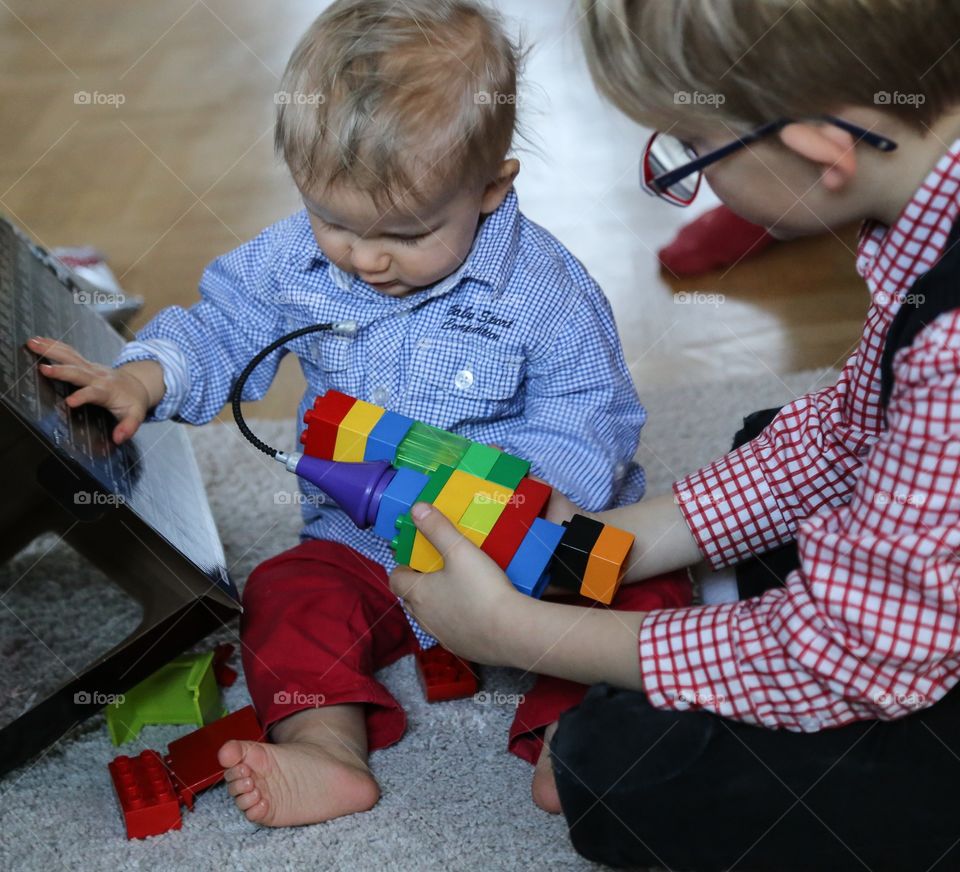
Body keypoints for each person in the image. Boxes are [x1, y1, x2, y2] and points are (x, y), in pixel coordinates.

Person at [26, 0, 691, 829]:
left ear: (491, 188)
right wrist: (149, 377)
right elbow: (223, 326)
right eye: (335, 220)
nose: (365, 258)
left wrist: (531, 496)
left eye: (406, 234)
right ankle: (325, 745)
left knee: (646, 585)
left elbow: (591, 409)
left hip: (524, 544)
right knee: (285, 593)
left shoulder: (547, 293)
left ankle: (580, 738)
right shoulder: (294, 260)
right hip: (366, 542)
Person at [390, 1, 960, 868]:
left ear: (821, 150)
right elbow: (848, 434)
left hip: (892, 663)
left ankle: (733, 640)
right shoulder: (926, 215)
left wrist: (516, 634)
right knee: (770, 444)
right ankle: (733, 626)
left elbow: (855, 658)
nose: (688, 171)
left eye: (693, 149)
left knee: (627, 770)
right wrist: (592, 546)